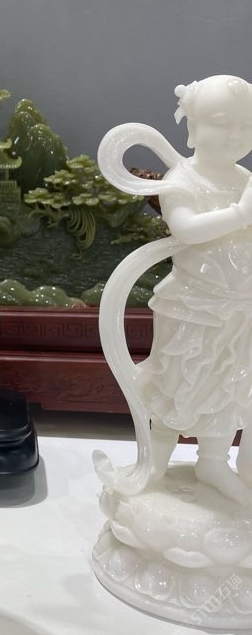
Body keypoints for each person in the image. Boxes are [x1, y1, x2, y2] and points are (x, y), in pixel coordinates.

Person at [97, 75, 252, 503]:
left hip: (241, 306)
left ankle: (213, 462)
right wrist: (242, 214)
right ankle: (155, 463)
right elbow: (186, 229)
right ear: (193, 127)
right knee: (179, 382)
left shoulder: (244, 178)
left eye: (246, 124)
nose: (235, 134)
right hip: (193, 306)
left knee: (227, 384)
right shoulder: (183, 178)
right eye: (221, 122)